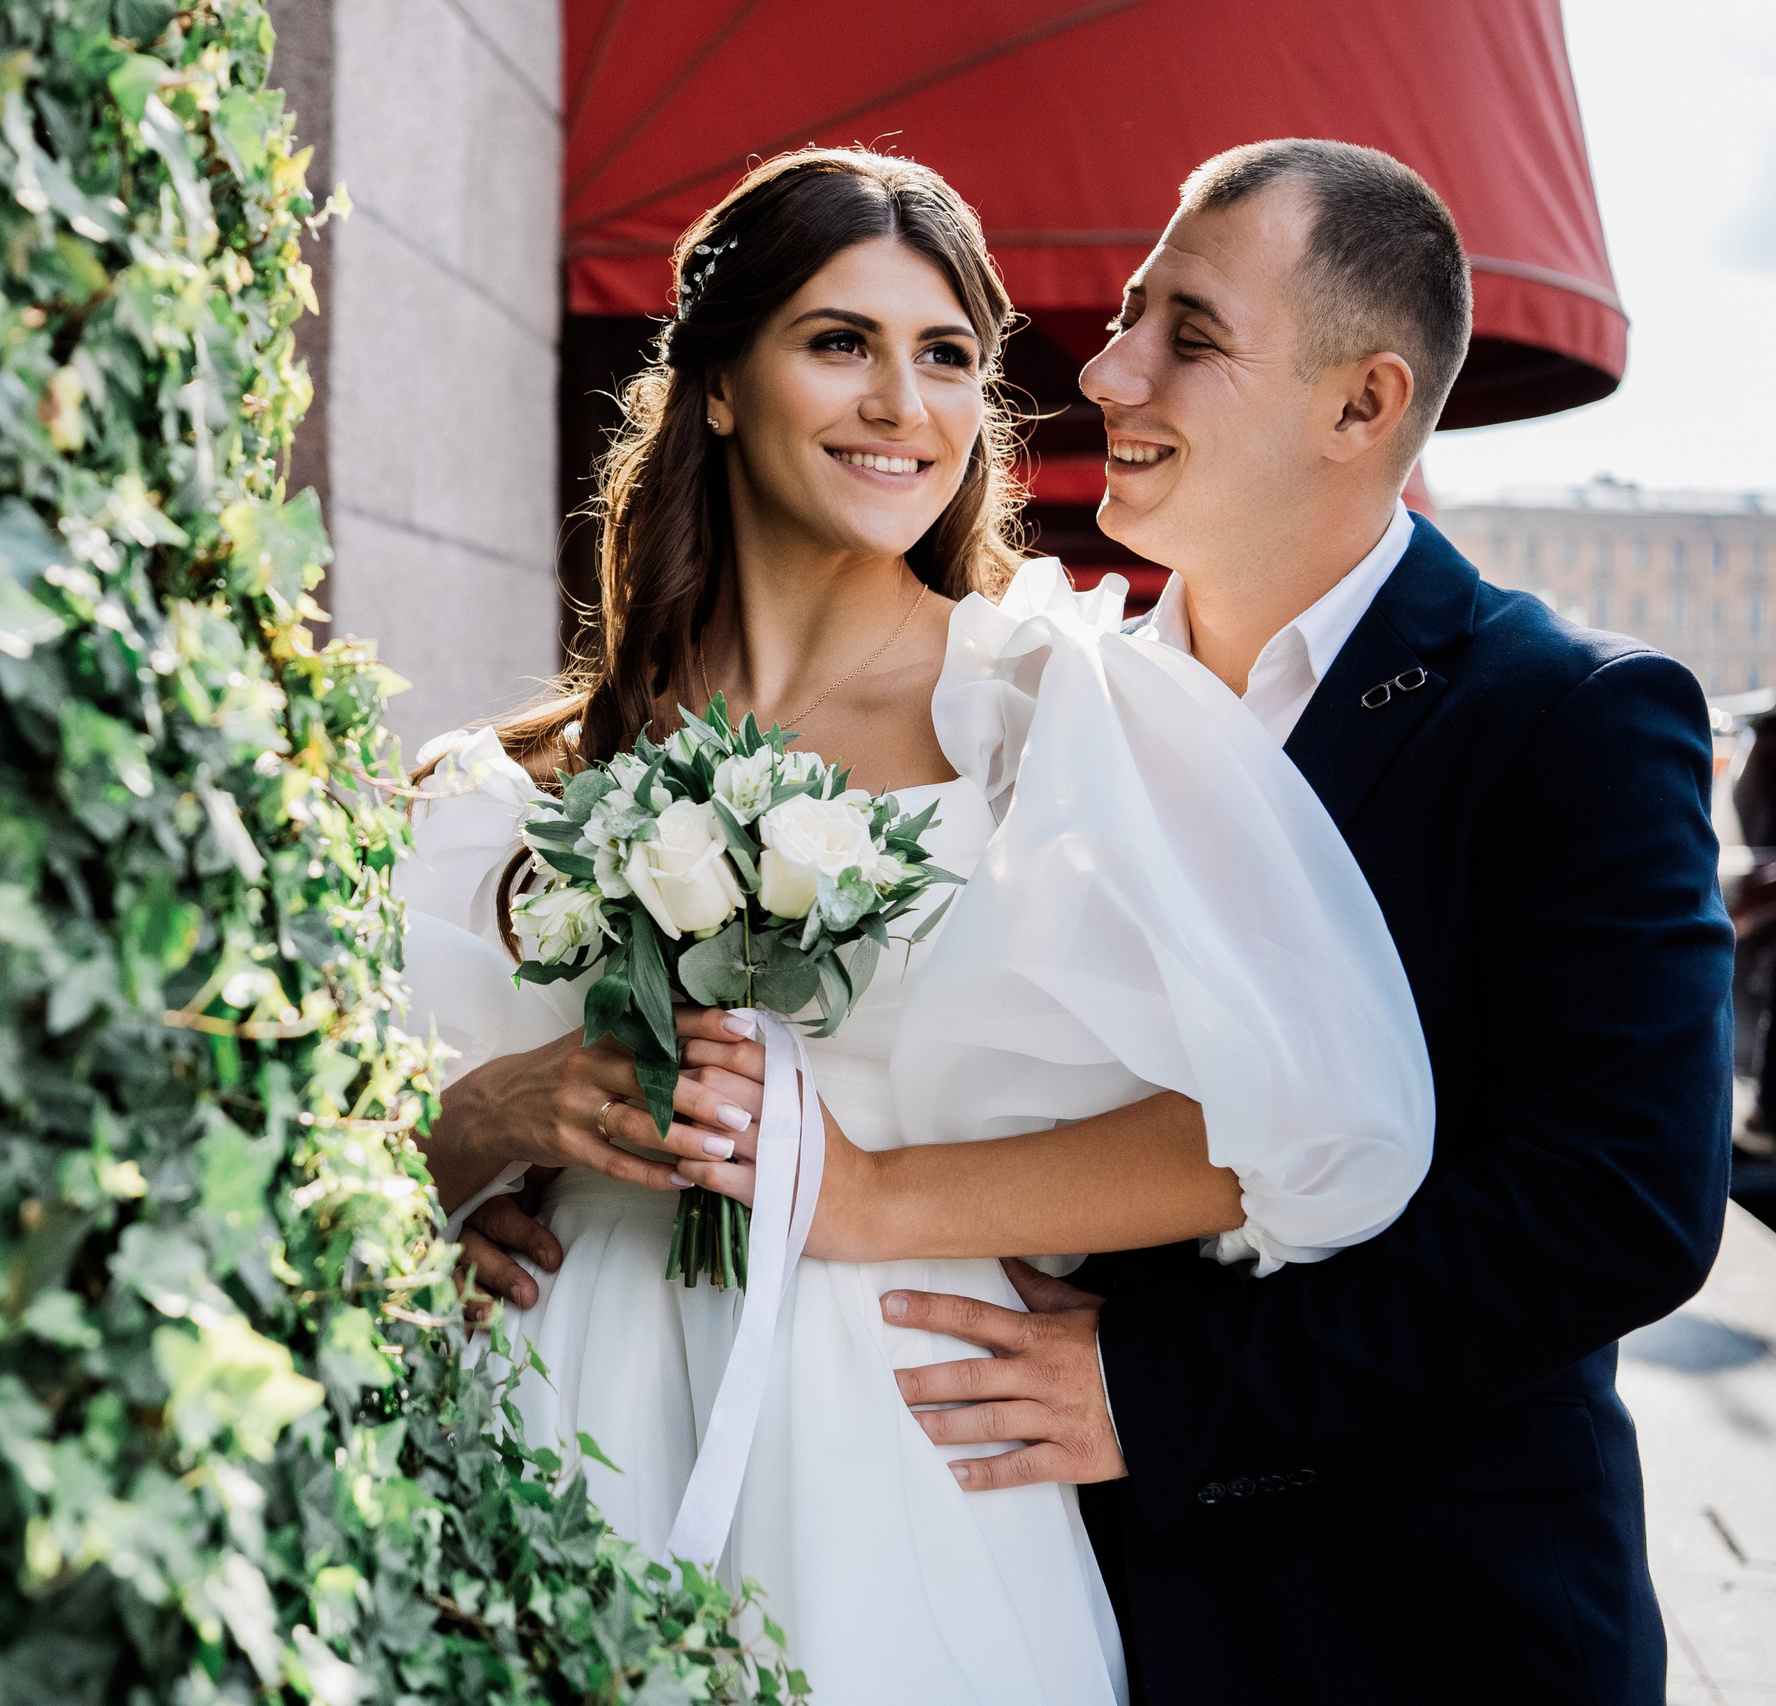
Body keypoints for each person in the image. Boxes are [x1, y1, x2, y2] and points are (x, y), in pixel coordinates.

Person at [669, 140, 1734, 1703]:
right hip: (1062, 1595)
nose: (1104, 369)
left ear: (1361, 406)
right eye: (1124, 313)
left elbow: (1620, 1204)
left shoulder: (1566, 715)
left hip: (1426, 1623)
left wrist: (1155, 1389)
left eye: (1190, 333)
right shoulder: (1041, 705)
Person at [399, 147, 1434, 1704]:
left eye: (945, 355)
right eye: (840, 342)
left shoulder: (1055, 716)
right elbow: (350, 1147)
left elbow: (1313, 1124)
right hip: (549, 1406)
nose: (903, 401)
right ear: (724, 384)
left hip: (894, 1462)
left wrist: (870, 1193)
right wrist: (482, 1128)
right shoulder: (526, 781)